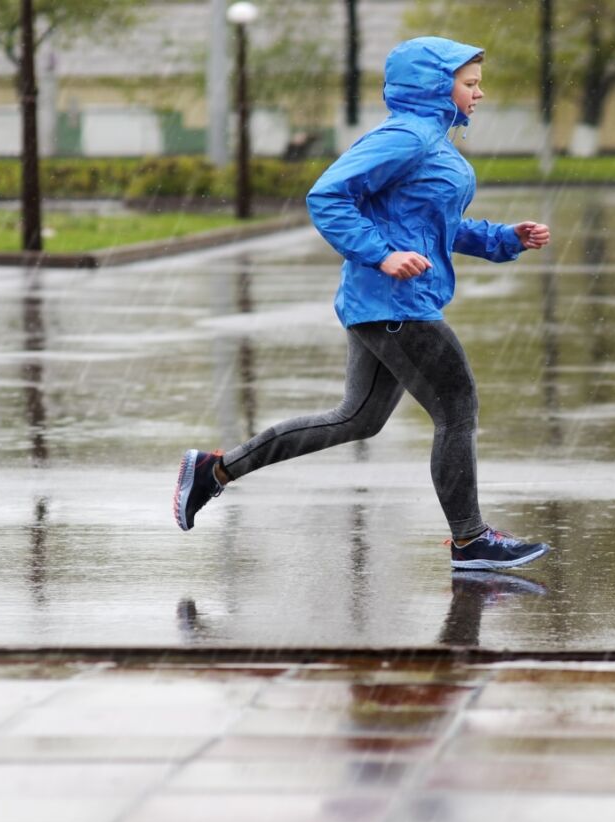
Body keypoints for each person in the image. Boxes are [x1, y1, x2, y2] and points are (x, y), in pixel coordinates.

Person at [175, 36, 552, 571]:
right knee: (456, 408)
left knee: (356, 419)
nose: (480, 93)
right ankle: (471, 541)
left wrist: (505, 239)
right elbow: (326, 195)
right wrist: (382, 256)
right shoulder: (407, 137)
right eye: (469, 83)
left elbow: (434, 227)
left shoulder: (431, 141)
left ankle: (213, 472)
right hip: (396, 304)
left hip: (392, 304)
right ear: (434, 87)